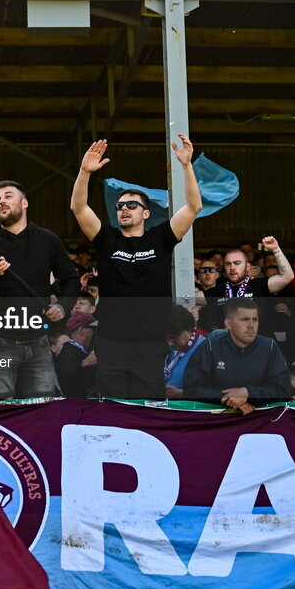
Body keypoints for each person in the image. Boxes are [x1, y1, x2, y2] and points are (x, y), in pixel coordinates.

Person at [70, 135, 202, 399]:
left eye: (132, 205)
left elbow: (193, 206)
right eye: (120, 206)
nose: (124, 209)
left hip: (150, 342)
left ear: (146, 213)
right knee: (112, 409)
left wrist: (187, 167)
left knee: (148, 410)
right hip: (111, 340)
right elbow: (78, 206)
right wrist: (84, 171)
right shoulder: (107, 239)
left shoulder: (160, 238)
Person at [0, 180, 80, 399]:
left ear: (25, 202)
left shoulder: (48, 240)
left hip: (39, 342)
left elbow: (71, 280)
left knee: (42, 411)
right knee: (1, 413)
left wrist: (63, 305)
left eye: (8, 196)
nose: (2, 201)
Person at [183, 298, 289, 413]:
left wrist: (248, 393)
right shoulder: (210, 346)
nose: (251, 325)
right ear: (228, 323)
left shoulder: (270, 347)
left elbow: (282, 389)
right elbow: (191, 388)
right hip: (217, 420)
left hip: (259, 419)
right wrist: (230, 399)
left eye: (255, 319)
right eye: (245, 319)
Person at [163, 304, 208, 400]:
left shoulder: (206, 348)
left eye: (173, 338)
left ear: (187, 329)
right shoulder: (164, 347)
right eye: (167, 338)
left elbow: (216, 390)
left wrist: (182, 394)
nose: (170, 343)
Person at [55, 312, 97, 398]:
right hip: (74, 405)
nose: (95, 333)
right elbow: (64, 374)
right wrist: (84, 363)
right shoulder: (70, 350)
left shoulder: (80, 350)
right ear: (81, 331)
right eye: (93, 329)